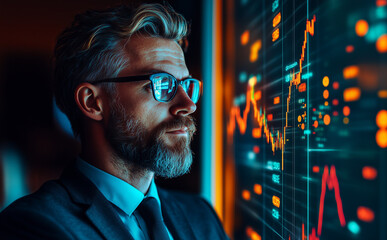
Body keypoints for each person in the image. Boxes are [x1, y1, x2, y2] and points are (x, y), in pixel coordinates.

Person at [0, 3, 228, 240]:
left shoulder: (201, 214)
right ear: (92, 102)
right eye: (162, 84)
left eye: (187, 85)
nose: (189, 105)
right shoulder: (33, 225)